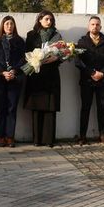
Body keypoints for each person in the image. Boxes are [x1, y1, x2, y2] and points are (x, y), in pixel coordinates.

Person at [24, 11, 65, 146]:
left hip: (51, 75)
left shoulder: (57, 36)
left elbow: (62, 54)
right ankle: (37, 140)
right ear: (40, 20)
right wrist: (36, 59)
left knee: (50, 108)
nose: (49, 21)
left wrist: (56, 58)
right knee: (37, 108)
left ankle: (49, 140)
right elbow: (26, 53)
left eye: (51, 19)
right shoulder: (31, 35)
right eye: (47, 19)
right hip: (36, 75)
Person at [73, 15, 104, 144]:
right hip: (87, 80)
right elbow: (78, 61)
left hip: (102, 80)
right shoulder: (82, 42)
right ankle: (82, 136)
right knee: (85, 108)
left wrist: (102, 73)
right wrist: (91, 72)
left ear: (100, 27)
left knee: (102, 108)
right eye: (92, 24)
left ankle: (102, 135)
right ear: (88, 26)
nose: (95, 26)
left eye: (97, 24)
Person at [0, 17, 26, 147]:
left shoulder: (20, 41)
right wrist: (2, 72)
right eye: (7, 24)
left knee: (12, 108)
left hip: (15, 78)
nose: (9, 26)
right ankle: (1, 137)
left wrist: (13, 71)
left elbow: (23, 59)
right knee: (0, 108)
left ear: (14, 26)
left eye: (11, 24)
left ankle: (10, 137)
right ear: (3, 26)